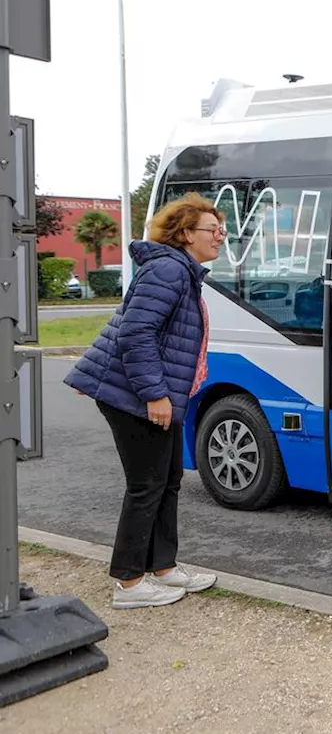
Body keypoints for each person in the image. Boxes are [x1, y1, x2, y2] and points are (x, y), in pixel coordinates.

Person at [64, 193, 225, 609]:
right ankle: (130, 582)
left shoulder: (181, 271)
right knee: (146, 485)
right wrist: (155, 394)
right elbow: (137, 334)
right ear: (187, 234)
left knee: (167, 480)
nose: (221, 236)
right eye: (213, 229)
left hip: (154, 392)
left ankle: (163, 567)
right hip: (134, 393)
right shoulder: (170, 270)